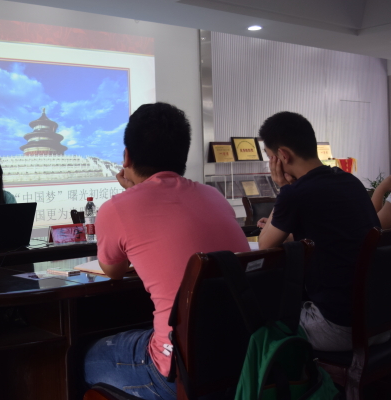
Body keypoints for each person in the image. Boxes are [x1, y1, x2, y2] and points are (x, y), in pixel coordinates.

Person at [83, 103, 250, 400]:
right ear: (183, 155)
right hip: (240, 360)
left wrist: (130, 196)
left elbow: (114, 270)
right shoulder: (214, 196)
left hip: (178, 372)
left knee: (88, 356)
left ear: (126, 156)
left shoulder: (116, 209)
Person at [257, 111, 387, 351]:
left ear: (283, 155)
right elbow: (330, 235)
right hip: (381, 321)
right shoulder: (350, 182)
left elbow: (264, 245)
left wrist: (283, 188)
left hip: (340, 328)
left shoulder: (295, 193)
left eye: (269, 157)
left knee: (259, 323)